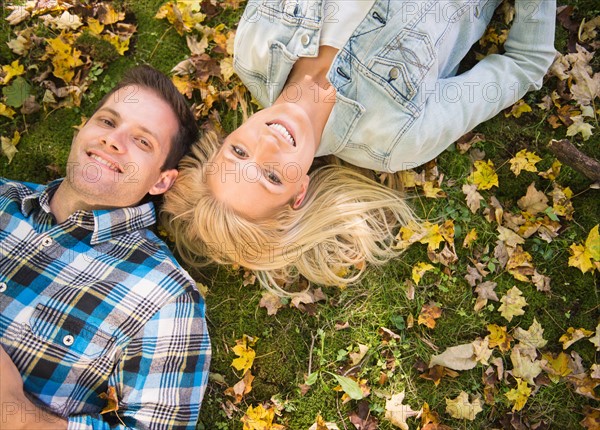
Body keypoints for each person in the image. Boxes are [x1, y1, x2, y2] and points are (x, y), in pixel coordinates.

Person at [162, 0, 557, 293]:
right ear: (300, 193)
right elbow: (526, 62)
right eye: (270, 176)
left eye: (239, 153)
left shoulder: (254, 48)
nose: (267, 143)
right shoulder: (398, 137)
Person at [0, 65, 210, 429]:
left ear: (161, 181)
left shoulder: (166, 296)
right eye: (108, 122)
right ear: (83, 129)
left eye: (143, 141)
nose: (114, 141)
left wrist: (16, 414)